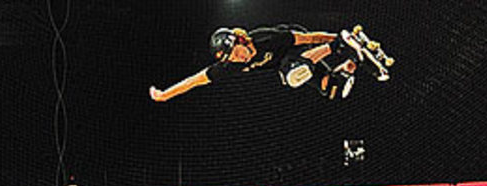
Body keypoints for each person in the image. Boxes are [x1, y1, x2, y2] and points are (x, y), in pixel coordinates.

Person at [150, 25, 376, 103]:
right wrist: (164, 95)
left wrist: (336, 38)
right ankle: (352, 61)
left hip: (300, 51)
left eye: (236, 53)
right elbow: (195, 80)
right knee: (333, 90)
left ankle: (341, 46)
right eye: (233, 59)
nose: (239, 59)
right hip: (298, 66)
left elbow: (309, 38)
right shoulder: (232, 65)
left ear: (240, 40)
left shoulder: (266, 37)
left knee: (291, 75)